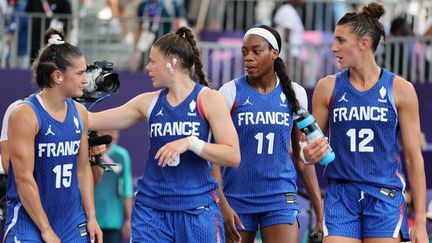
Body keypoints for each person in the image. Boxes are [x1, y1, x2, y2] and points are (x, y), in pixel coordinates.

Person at [89, 26, 241, 242]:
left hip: (196, 210)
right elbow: (93, 120)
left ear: (172, 62)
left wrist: (190, 143)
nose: (148, 67)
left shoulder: (208, 99)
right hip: (151, 211)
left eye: (152, 61)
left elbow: (233, 156)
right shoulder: (148, 101)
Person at [303, 2, 429, 242]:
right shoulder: (326, 87)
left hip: (384, 195)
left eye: (340, 40)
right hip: (341, 194)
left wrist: (420, 222)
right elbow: (307, 149)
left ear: (364, 43)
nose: (333, 47)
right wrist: (306, 154)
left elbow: (414, 158)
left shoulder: (401, 89)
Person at [212, 25, 324, 243]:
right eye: (245, 52)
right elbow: (214, 157)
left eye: (256, 51)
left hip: (280, 197)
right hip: (237, 197)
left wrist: (320, 213)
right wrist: (222, 204)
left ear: (274, 53)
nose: (248, 58)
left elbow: (302, 159)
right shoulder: (229, 92)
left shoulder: (296, 93)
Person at [4, 28, 103, 242]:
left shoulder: (80, 113)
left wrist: (92, 217)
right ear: (58, 76)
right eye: (79, 73)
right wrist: (46, 230)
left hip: (70, 219)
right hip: (29, 220)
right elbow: (23, 179)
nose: (86, 80)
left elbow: (83, 168)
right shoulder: (25, 114)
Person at [94, 129, 133, 243]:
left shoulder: (122, 155)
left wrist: (129, 219)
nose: (114, 135)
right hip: (90, 222)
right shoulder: (90, 154)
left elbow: (127, 190)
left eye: (116, 132)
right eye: (110, 131)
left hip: (113, 221)